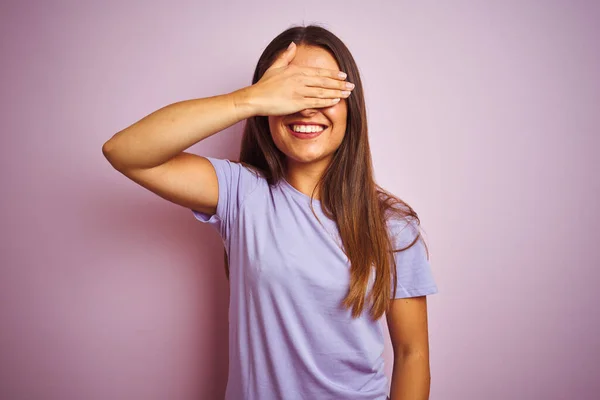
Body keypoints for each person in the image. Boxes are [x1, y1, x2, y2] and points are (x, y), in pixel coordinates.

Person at [103, 24, 438, 400]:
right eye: (292, 91)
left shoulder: (392, 224)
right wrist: (249, 99)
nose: (306, 106)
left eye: (323, 90)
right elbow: (125, 151)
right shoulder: (242, 193)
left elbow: (413, 354)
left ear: (351, 107)